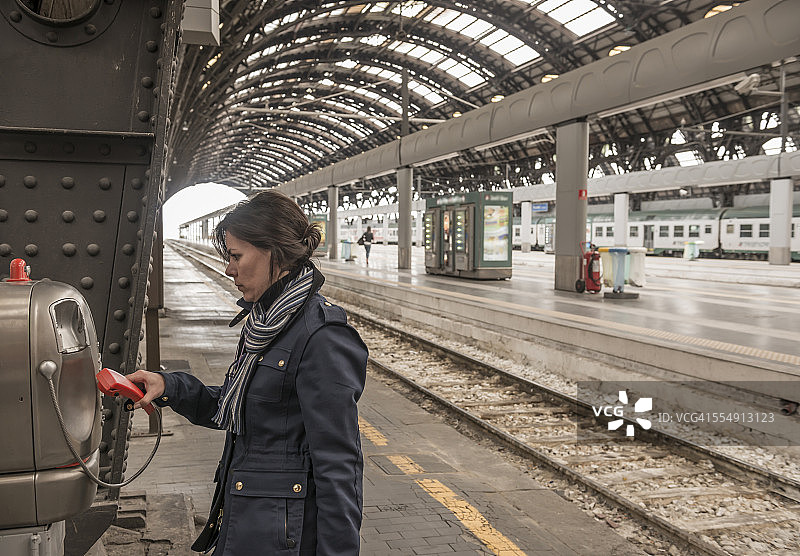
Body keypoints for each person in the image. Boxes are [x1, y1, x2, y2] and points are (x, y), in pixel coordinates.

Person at [128, 190, 368, 555]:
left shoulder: (322, 337)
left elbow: (339, 467)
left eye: (236, 256)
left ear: (275, 253)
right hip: (246, 522)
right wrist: (168, 385)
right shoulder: (264, 324)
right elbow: (234, 406)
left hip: (284, 537)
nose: (229, 268)